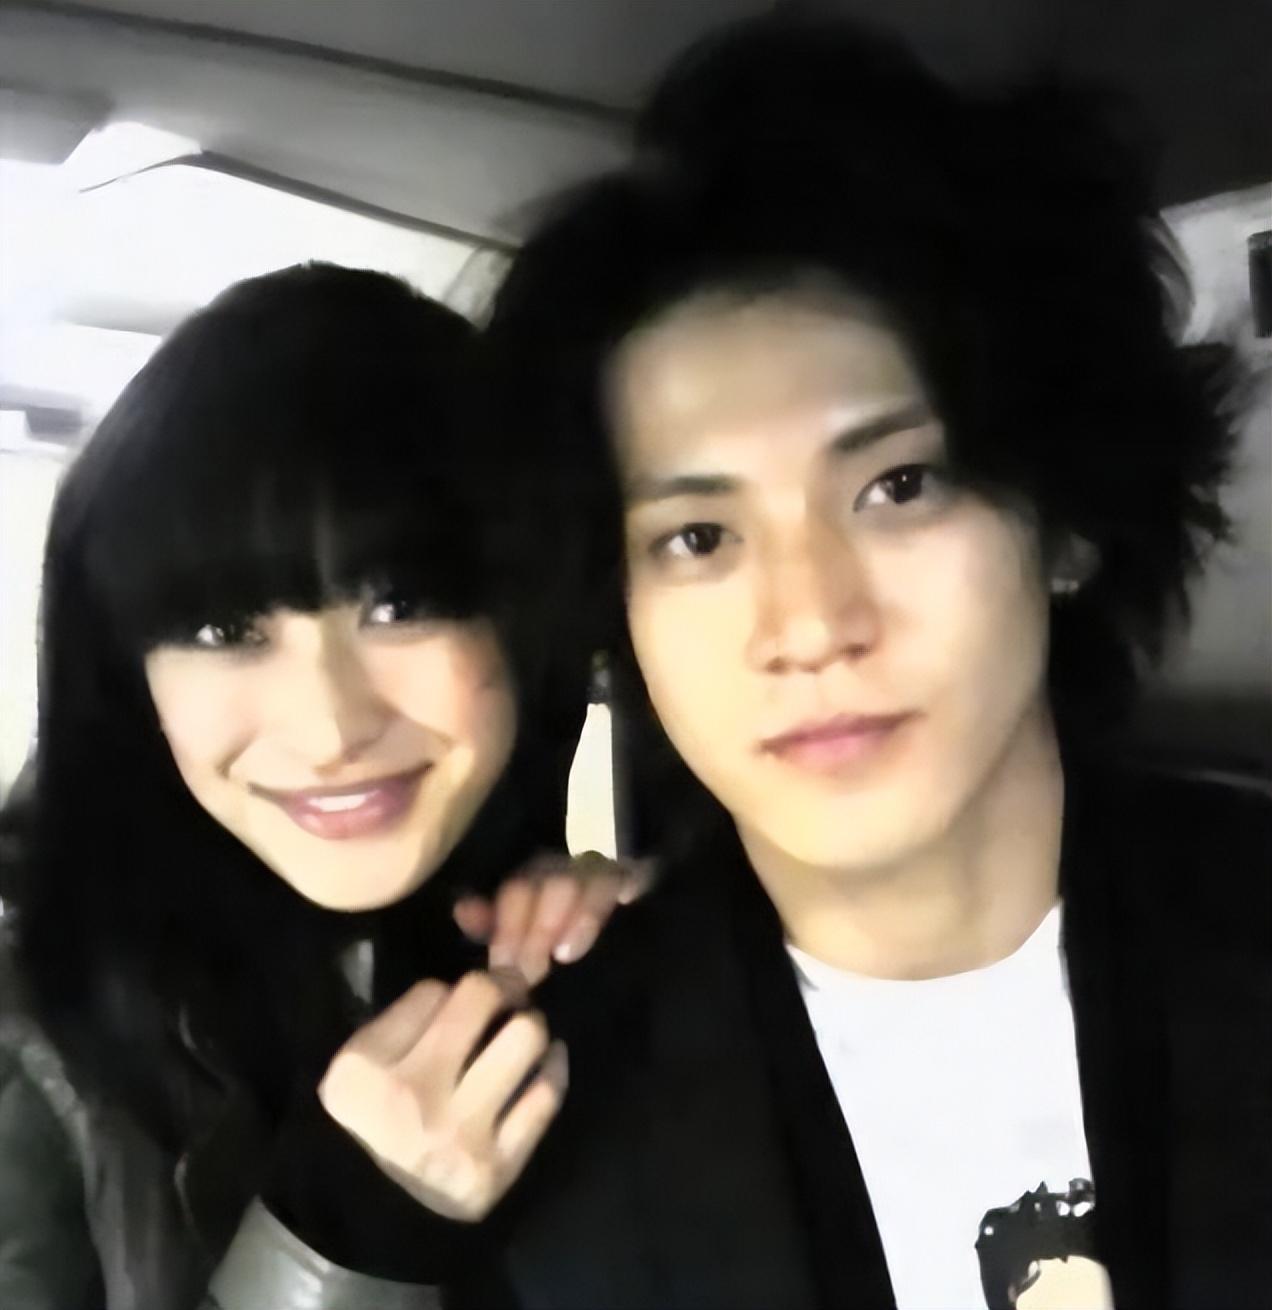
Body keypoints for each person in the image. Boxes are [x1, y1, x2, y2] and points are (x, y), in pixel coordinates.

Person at [442, 13, 1271, 1308]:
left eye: (899, 486)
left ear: (1064, 521)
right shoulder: (541, 1104)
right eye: (699, 536)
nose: (811, 622)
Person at [0, 263, 640, 1309]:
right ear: (127, 673)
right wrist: (344, 1232)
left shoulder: (500, 931)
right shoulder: (25, 1035)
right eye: (225, 629)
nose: (333, 728)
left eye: (402, 605)